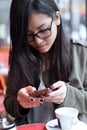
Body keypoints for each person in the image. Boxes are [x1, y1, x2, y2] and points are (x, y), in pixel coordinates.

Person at [4, 0, 87, 126]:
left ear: (57, 18)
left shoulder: (81, 52)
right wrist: (19, 103)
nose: (38, 41)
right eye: (29, 35)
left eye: (43, 30)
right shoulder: (20, 56)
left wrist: (68, 95)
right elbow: (9, 104)